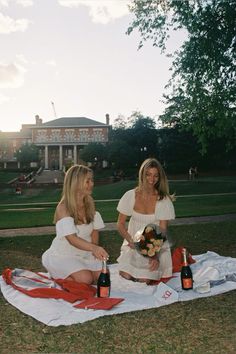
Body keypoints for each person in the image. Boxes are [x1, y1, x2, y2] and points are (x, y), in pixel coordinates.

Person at [42, 164, 109, 285]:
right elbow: (72, 239)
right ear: (76, 183)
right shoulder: (63, 208)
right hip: (64, 254)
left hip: (86, 252)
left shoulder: (89, 204)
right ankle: (57, 276)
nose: (92, 184)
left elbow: (94, 232)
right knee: (86, 280)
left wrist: (94, 252)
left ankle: (76, 274)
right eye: (87, 181)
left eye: (92, 180)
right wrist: (94, 248)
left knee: (102, 277)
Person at [116, 158, 175, 283]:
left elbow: (162, 231)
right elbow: (120, 224)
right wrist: (130, 241)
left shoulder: (163, 200)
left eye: (155, 176)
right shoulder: (130, 196)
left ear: (160, 178)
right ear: (142, 174)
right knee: (125, 276)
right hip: (132, 245)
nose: (151, 179)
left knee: (143, 280)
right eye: (148, 174)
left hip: (155, 248)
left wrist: (155, 256)